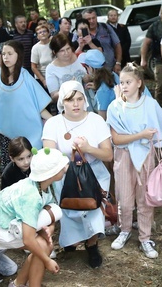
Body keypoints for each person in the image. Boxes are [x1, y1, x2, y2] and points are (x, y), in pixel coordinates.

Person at [42, 81, 112, 268]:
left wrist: (88, 148)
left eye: (80, 99)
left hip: (94, 174)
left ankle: (92, 244)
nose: (76, 104)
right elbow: (49, 154)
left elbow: (108, 154)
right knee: (71, 208)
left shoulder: (96, 120)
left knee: (92, 207)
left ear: (85, 100)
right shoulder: (53, 123)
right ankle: (73, 240)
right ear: (62, 102)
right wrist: (67, 161)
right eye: (70, 100)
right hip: (65, 174)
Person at [107, 63, 162, 259]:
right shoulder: (115, 107)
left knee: (144, 198)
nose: (124, 85)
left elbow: (161, 125)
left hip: (146, 155)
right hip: (124, 156)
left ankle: (145, 237)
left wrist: (151, 138)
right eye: (122, 82)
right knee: (124, 198)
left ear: (139, 83)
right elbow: (117, 140)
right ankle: (124, 229)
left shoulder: (149, 105)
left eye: (128, 82)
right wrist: (141, 134)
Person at [0, 147, 67, 287]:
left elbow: (50, 210)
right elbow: (28, 240)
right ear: (51, 173)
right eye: (61, 166)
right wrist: (47, 261)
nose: (65, 167)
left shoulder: (46, 185)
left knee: (42, 244)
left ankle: (18, 284)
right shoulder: (31, 197)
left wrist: (49, 230)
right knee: (41, 245)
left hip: (10, 218)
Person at [0, 40, 52, 165]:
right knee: (11, 165)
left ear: (19, 55)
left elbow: (38, 103)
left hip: (29, 129)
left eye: (10, 54)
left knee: (31, 164)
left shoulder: (25, 76)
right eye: (4, 54)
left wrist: (54, 120)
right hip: (7, 131)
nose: (6, 57)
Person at [141, 5, 162, 111]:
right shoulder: (154, 26)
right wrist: (143, 59)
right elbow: (145, 43)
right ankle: (159, 108)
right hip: (159, 60)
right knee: (161, 84)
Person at [75, 8, 122, 73]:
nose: (92, 21)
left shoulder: (106, 27)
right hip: (87, 72)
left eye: (93, 18)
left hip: (109, 68)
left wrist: (118, 63)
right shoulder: (78, 34)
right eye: (88, 19)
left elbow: (117, 44)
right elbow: (72, 53)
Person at [45, 33, 87, 104]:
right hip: (67, 106)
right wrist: (67, 88)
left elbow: (85, 78)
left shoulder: (76, 57)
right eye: (62, 51)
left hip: (85, 101)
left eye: (68, 49)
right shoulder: (51, 69)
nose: (66, 53)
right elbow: (54, 96)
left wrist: (90, 78)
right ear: (55, 52)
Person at [80, 49, 121, 118]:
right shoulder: (113, 75)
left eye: (86, 67)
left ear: (90, 68)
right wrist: (97, 86)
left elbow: (102, 119)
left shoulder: (102, 91)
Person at [31, 22, 54, 90]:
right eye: (40, 32)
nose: (42, 33)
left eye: (44, 31)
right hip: (42, 77)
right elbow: (33, 67)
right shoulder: (35, 48)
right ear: (37, 36)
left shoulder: (53, 43)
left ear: (48, 33)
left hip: (55, 75)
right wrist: (43, 80)